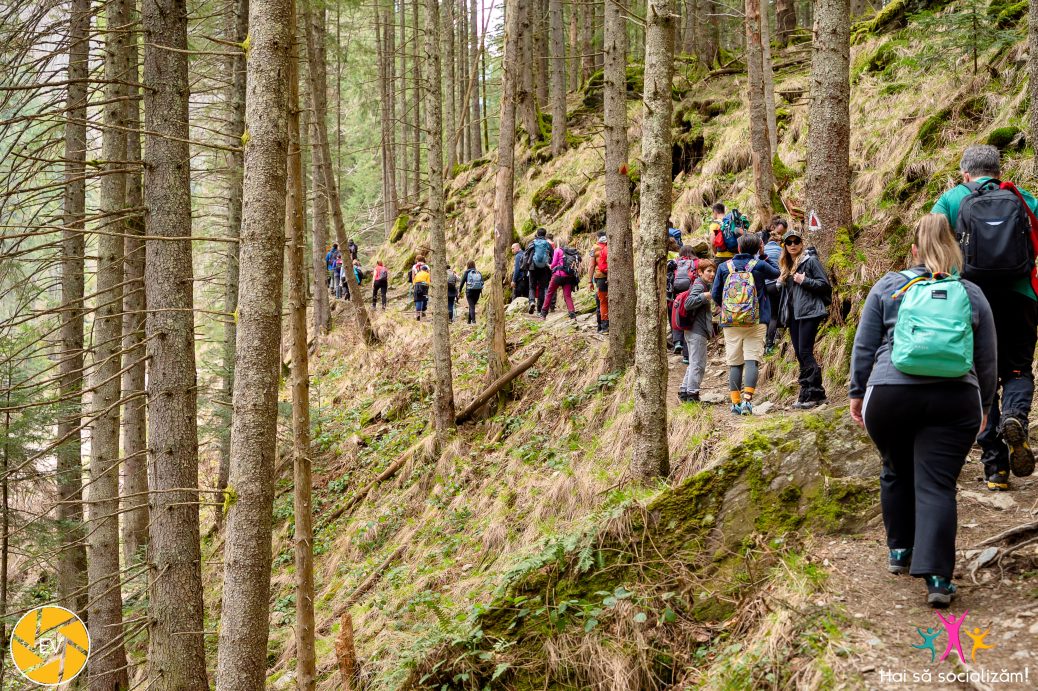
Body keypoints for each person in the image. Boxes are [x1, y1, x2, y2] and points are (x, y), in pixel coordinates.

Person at [849, 214, 996, 607]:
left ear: (913, 251)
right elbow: (986, 358)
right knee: (937, 483)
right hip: (955, 398)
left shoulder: (889, 286)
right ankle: (937, 578)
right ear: (954, 251)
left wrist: (857, 392)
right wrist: (984, 404)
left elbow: (864, 345)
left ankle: (900, 550)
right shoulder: (970, 292)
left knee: (895, 467)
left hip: (890, 394)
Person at [932, 144, 1038, 490]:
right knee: (1019, 367)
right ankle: (1015, 416)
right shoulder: (1020, 196)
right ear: (998, 170)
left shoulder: (951, 200)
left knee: (981, 377)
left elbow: (930, 245)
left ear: (965, 173)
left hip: (971, 299)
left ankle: (996, 468)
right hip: (1021, 295)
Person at [712, 234, 779, 415]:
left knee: (735, 362)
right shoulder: (759, 265)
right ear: (758, 248)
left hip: (731, 321)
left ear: (738, 248)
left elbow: (715, 293)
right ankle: (747, 402)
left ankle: (735, 403)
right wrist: (764, 255)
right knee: (751, 360)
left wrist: (727, 308)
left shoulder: (723, 267)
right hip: (756, 319)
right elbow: (777, 272)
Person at [779, 228, 831, 408]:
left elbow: (825, 285)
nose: (793, 245)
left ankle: (816, 393)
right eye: (789, 242)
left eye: (796, 242)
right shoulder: (788, 265)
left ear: (802, 244)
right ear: (785, 246)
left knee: (805, 352)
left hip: (810, 312)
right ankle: (806, 393)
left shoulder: (811, 261)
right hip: (794, 315)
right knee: (800, 355)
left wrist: (805, 280)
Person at [678, 260, 716, 403]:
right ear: (700, 272)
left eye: (713, 271)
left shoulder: (701, 284)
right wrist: (705, 296)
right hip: (696, 330)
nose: (712, 274)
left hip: (692, 330)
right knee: (698, 363)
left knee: (694, 361)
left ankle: (684, 391)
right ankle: (692, 395)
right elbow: (688, 304)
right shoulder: (699, 285)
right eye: (708, 271)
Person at [670, 245, 699, 362]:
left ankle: (677, 342)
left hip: (676, 297)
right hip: (690, 295)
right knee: (688, 324)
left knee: (676, 318)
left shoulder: (676, 262)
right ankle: (687, 356)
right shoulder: (697, 262)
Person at [762, 220, 785, 353]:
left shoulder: (762, 250)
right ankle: (770, 344)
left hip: (762, 286)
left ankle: (763, 341)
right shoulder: (781, 250)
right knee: (774, 315)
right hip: (775, 285)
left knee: (766, 314)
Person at [541, 240, 578, 320]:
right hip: (568, 276)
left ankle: (543, 314)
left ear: (559, 244)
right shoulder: (570, 252)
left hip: (558, 275)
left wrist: (549, 265)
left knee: (549, 293)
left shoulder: (557, 250)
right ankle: (572, 315)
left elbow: (553, 264)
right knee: (567, 296)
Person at [526, 228, 553, 314]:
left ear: (537, 234)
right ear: (545, 235)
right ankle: (539, 309)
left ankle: (532, 301)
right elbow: (552, 256)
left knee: (532, 286)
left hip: (533, 267)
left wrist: (526, 266)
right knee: (542, 288)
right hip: (544, 267)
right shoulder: (548, 244)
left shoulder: (533, 242)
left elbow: (526, 254)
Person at [590, 234, 608, 333]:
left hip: (601, 278)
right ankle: (601, 326)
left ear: (598, 238)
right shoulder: (610, 246)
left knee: (602, 302)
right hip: (611, 276)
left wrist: (590, 281)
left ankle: (603, 327)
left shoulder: (595, 248)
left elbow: (591, 266)